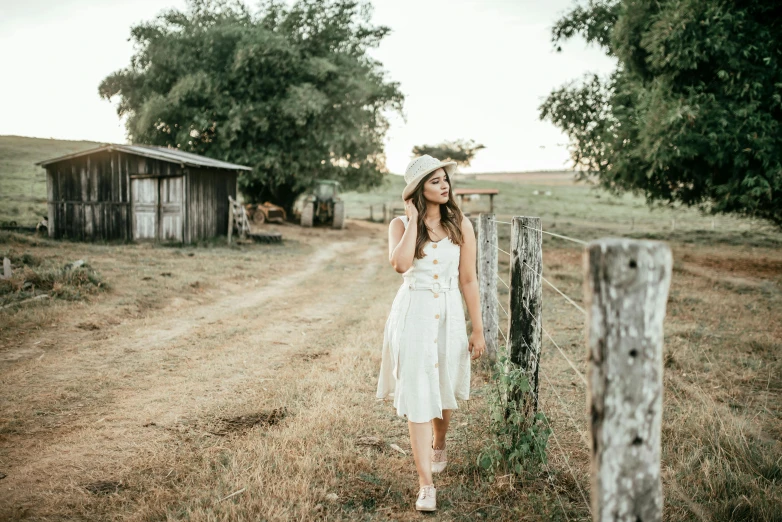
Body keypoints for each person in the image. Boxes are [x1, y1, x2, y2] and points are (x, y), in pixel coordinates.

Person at [376, 154, 486, 512]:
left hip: (450, 313)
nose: (444, 185)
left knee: (443, 386)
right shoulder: (400, 225)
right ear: (418, 191)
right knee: (420, 391)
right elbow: (400, 264)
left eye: (445, 179)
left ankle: (440, 441)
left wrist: (478, 329)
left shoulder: (460, 225)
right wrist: (411, 221)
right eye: (435, 181)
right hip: (414, 313)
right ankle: (426, 484)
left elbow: (468, 279)